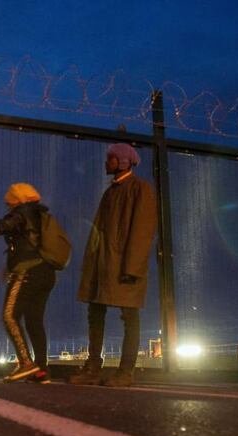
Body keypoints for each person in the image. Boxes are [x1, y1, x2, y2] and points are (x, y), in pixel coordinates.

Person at [69, 143, 156, 387]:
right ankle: (93, 368)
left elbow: (142, 230)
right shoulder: (111, 191)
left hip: (124, 264)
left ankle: (125, 372)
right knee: (95, 312)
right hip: (104, 263)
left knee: (129, 314)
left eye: (111, 159)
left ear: (124, 161)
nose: (107, 163)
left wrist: (132, 268)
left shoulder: (140, 188)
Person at [0, 183, 57, 384]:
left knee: (9, 316)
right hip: (45, 272)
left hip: (27, 272)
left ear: (18, 199)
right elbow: (28, 242)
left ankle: (25, 363)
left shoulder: (22, 212)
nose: (7, 203)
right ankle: (41, 369)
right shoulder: (39, 214)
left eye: (10, 200)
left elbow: (2, 226)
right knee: (34, 321)